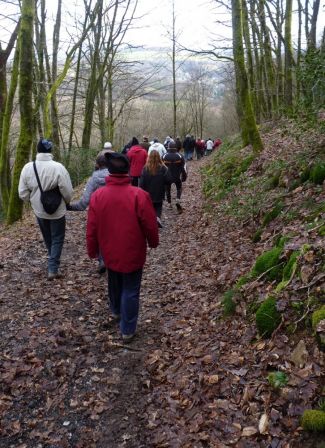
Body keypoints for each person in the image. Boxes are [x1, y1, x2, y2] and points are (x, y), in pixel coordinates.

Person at [86, 152, 159, 341]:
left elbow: (92, 227)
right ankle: (127, 328)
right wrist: (153, 242)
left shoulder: (98, 196)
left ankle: (116, 311)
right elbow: (150, 224)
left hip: (109, 251)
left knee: (115, 280)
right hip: (133, 251)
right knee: (131, 288)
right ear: (127, 170)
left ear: (109, 170)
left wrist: (93, 250)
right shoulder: (139, 195)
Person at [18, 139, 73, 280]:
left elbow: (22, 193)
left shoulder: (28, 168)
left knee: (48, 237)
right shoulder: (58, 167)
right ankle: (53, 268)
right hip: (57, 210)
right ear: (50, 151)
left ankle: (53, 264)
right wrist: (66, 202)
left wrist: (32, 201)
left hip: (39, 210)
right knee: (57, 238)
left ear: (37, 150)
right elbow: (66, 190)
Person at [67, 152, 110, 274]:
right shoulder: (118, 176)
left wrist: (68, 207)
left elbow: (83, 203)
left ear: (97, 164)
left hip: (98, 213)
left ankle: (102, 260)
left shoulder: (93, 179)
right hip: (116, 212)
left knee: (100, 236)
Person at [139, 150, 171, 228]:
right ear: (159, 157)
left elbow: (141, 183)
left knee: (150, 207)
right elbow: (168, 180)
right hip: (159, 192)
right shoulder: (163, 168)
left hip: (147, 193)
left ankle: (151, 221)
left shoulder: (145, 168)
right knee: (158, 206)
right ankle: (157, 218)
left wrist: (142, 192)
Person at [162, 141, 187, 213]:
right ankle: (178, 199)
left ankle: (169, 204)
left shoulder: (164, 156)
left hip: (167, 177)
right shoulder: (180, 156)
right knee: (179, 188)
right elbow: (184, 167)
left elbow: (161, 167)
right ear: (175, 147)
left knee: (167, 190)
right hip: (177, 176)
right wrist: (184, 176)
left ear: (168, 147)